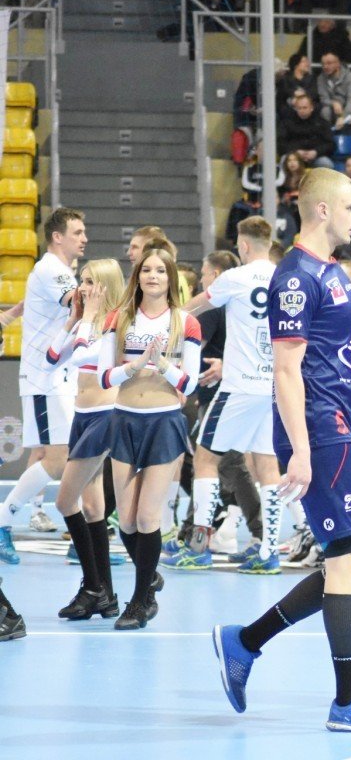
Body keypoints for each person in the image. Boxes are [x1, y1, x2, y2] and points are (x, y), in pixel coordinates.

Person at [212, 167, 351, 733]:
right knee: (346, 561)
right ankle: (349, 700)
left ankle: (245, 641)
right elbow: (286, 371)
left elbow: (346, 363)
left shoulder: (334, 275)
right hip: (317, 430)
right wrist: (300, 451)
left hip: (343, 424)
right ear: (323, 209)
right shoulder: (295, 277)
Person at [169, 218, 283, 574]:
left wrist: (157, 321)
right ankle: (269, 551)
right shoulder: (285, 278)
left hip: (239, 386)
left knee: (205, 459)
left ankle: (198, 547)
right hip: (273, 387)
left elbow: (194, 308)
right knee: (267, 466)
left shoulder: (235, 277)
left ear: (243, 246)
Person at [98, 246, 202, 630]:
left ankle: (140, 601)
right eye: (146, 270)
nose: (153, 276)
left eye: (160, 270)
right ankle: (150, 576)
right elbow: (104, 378)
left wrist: (162, 366)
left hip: (163, 423)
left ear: (170, 278)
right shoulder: (119, 317)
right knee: (125, 520)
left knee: (147, 516)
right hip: (124, 420)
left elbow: (189, 384)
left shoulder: (185, 322)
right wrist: (135, 366)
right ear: (137, 276)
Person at [0, 208, 87, 565]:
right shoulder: (52, 269)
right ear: (57, 236)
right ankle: (3, 520)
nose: (84, 238)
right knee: (58, 458)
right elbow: (80, 303)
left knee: (76, 458)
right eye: (77, 232)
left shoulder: (57, 271)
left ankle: (82, 538)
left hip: (61, 377)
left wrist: (10, 315)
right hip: (45, 378)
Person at [46, 259, 125, 620]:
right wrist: (74, 319)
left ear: (107, 285)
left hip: (105, 416)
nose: (83, 288)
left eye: (91, 282)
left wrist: (89, 316)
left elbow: (80, 357)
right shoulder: (86, 322)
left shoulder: (116, 323)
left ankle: (93, 587)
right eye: (82, 281)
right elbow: (52, 358)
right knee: (93, 509)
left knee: (65, 501)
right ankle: (105, 594)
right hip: (82, 416)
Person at [280, 93, 336, 170]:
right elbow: (281, 143)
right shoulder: (287, 123)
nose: (302, 110)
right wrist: (295, 152)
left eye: (305, 108)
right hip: (294, 156)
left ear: (311, 108)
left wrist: (316, 152)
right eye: (299, 108)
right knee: (284, 160)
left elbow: (331, 144)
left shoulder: (322, 123)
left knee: (326, 164)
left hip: (316, 157)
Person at [317, 52, 351, 138]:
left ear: (337, 64)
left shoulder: (349, 77)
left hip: (346, 107)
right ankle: (327, 141)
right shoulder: (321, 78)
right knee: (325, 111)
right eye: (323, 64)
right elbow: (323, 99)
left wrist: (343, 116)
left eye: (329, 63)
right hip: (331, 108)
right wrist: (333, 103)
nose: (325, 66)